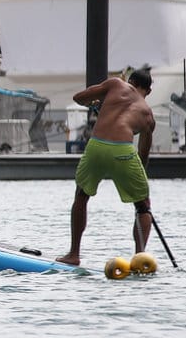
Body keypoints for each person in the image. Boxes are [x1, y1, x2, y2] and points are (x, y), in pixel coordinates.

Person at [56, 67, 156, 265]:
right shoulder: (148, 116)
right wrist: (140, 179)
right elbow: (143, 154)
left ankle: (73, 255)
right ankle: (139, 258)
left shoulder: (116, 84)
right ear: (149, 91)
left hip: (96, 147)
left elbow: (78, 98)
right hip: (123, 152)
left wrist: (97, 102)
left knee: (81, 196)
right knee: (143, 207)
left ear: (129, 80)